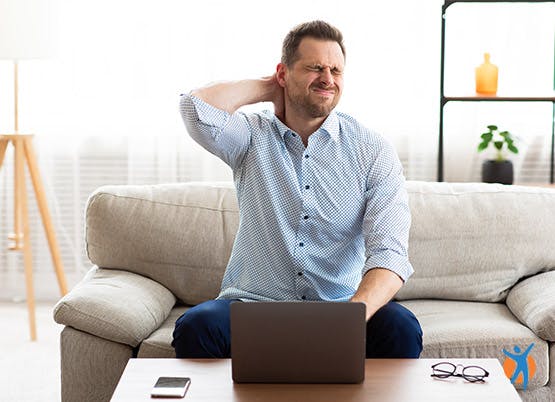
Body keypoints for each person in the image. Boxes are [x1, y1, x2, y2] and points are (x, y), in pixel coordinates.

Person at [172, 20, 423, 359]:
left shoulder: (372, 150)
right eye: (315, 68)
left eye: (336, 70)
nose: (328, 79)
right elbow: (194, 108)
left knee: (401, 328)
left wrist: (350, 319)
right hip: (253, 306)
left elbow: (390, 255)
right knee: (196, 325)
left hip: (341, 307)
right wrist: (266, 87)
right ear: (284, 73)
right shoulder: (250, 137)